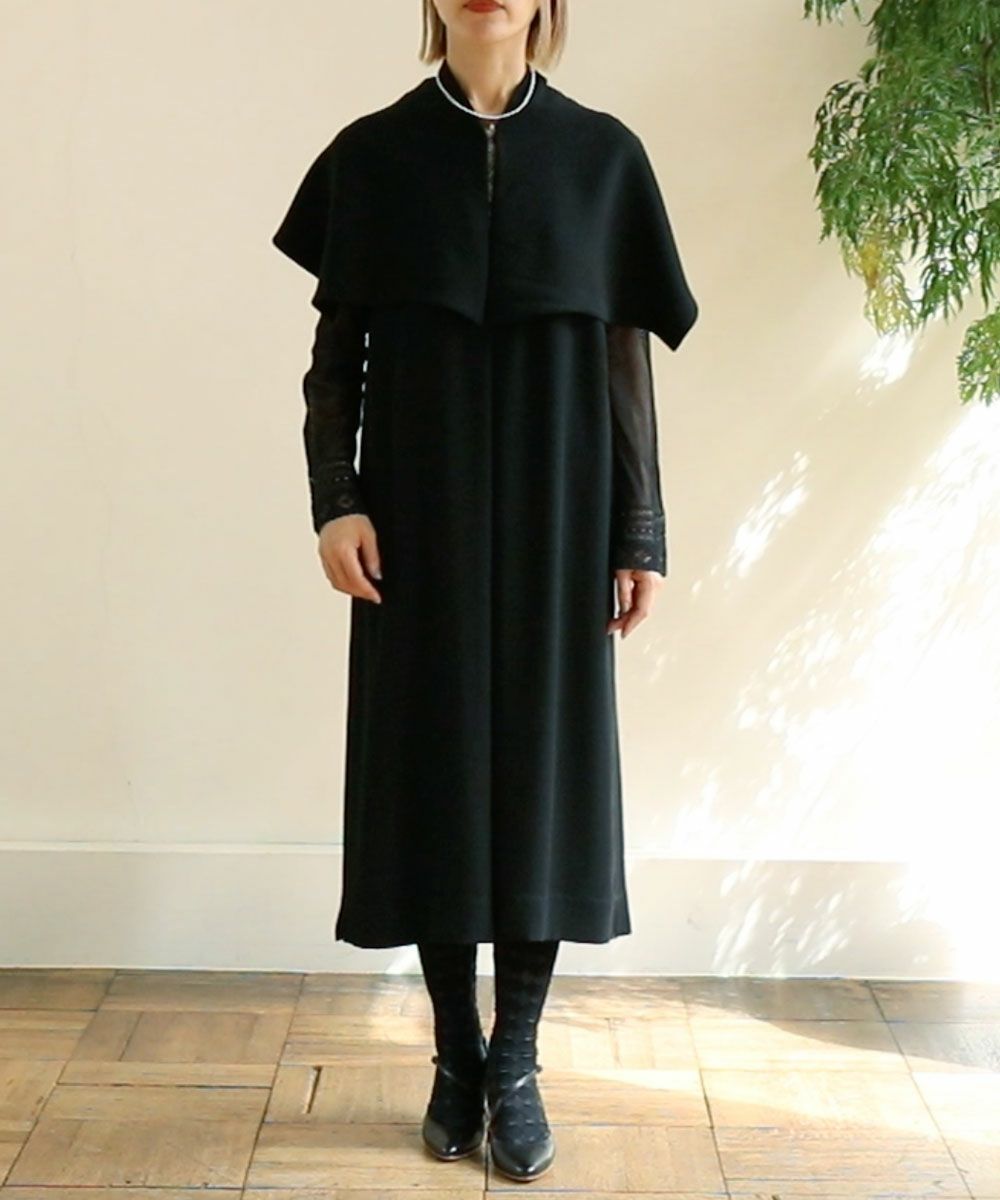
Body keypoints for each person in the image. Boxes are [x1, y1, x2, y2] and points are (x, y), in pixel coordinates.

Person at [271, 0, 698, 1182]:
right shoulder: (372, 158)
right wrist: (335, 498)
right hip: (416, 519)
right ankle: (454, 1053)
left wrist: (640, 530)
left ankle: (515, 1060)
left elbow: (624, 362)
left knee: (542, 778)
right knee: (434, 772)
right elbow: (334, 364)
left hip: (563, 515)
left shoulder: (603, 158)